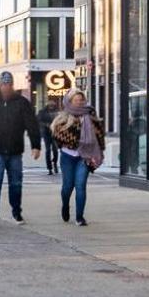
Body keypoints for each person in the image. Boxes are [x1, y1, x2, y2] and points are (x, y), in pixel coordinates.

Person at [0, 71, 42, 227]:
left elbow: (32, 125)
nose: (6, 87)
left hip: (15, 150)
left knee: (16, 183)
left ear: (12, 85)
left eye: (9, 84)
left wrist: (36, 145)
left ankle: (16, 212)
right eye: (4, 84)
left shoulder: (21, 102)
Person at [52, 89, 105, 227]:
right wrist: (76, 138)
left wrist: (100, 151)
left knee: (80, 185)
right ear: (70, 102)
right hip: (68, 156)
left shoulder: (91, 116)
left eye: (81, 100)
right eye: (76, 100)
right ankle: (65, 205)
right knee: (67, 187)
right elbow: (58, 136)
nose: (79, 102)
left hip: (84, 156)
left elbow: (99, 135)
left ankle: (80, 217)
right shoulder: (63, 118)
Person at [37, 98, 60, 175]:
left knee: (55, 150)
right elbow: (39, 121)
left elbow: (61, 120)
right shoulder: (42, 112)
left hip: (55, 132)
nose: (51, 103)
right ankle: (49, 168)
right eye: (50, 102)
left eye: (52, 102)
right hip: (46, 133)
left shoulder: (57, 111)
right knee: (48, 150)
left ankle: (55, 163)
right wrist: (47, 125)